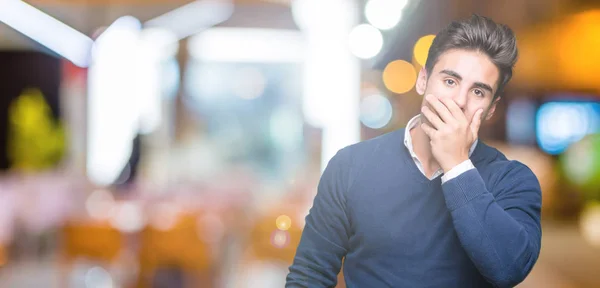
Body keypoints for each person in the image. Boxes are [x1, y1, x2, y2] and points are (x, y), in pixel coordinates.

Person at [286, 14, 541, 288]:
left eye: (478, 92)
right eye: (450, 81)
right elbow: (308, 276)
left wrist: (456, 165)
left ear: (491, 108)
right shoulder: (350, 166)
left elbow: (508, 271)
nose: (459, 101)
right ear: (423, 81)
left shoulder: (513, 180)